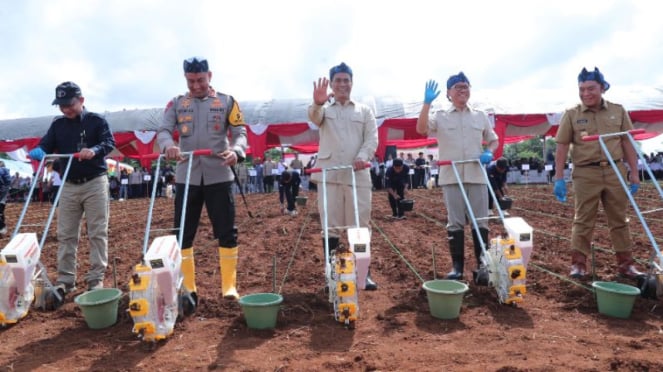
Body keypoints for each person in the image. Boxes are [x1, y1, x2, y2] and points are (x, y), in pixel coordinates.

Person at [157, 56, 247, 311]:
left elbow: (240, 133)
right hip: (187, 177)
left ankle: (229, 287)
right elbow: (163, 131)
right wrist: (168, 146)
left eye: (200, 80)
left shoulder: (227, 101)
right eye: (190, 81)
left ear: (210, 76)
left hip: (219, 174)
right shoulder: (177, 103)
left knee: (227, 231)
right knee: (183, 233)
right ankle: (189, 289)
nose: (195, 86)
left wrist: (237, 152)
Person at [28, 81, 115, 308]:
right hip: (68, 185)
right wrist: (40, 151)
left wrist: (94, 150)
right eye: (61, 105)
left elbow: (109, 143)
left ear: (81, 100)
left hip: (95, 182)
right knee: (66, 234)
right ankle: (66, 280)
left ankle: (95, 280)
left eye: (69, 104)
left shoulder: (97, 121)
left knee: (97, 231)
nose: (65, 109)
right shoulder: (58, 125)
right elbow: (46, 144)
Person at [553, 67, 643, 280]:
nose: (586, 93)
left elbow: (626, 141)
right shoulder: (572, 114)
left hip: (615, 170)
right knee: (583, 219)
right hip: (586, 173)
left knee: (619, 218)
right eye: (582, 89)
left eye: (591, 88)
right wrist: (559, 178)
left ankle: (626, 264)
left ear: (602, 87)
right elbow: (562, 146)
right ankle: (578, 264)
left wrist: (635, 173)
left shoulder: (618, 111)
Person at [416, 72, 499, 280]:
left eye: (466, 86)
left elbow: (493, 140)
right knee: (455, 223)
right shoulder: (441, 116)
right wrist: (426, 103)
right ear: (449, 93)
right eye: (458, 87)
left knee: (481, 221)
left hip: (476, 175)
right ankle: (457, 268)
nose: (463, 90)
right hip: (451, 176)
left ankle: (484, 266)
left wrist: (489, 151)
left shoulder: (480, 115)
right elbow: (421, 129)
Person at [308, 62, 379, 290]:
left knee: (359, 226)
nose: (342, 84)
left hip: (357, 176)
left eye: (346, 80)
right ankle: (332, 273)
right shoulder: (324, 110)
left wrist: (362, 155)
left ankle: (362, 273)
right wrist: (318, 102)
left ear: (352, 82)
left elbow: (372, 139)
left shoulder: (364, 110)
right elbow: (314, 117)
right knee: (330, 226)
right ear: (331, 84)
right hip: (329, 176)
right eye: (337, 80)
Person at [0, 161, 11, 236]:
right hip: (2, 200)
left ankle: (2, 228)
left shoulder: (3, 170)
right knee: (1, 213)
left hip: (1, 197)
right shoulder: (6, 173)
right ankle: (2, 229)